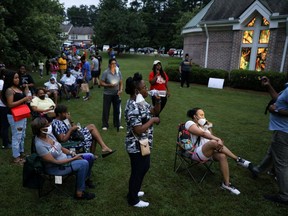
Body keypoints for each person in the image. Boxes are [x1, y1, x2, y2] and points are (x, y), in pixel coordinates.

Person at [185, 107, 251, 195]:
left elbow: (210, 135)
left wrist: (208, 127)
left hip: (209, 151)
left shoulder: (204, 126)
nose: (204, 117)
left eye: (204, 115)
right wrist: (218, 139)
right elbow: (202, 134)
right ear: (194, 116)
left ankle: (226, 184)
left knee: (222, 156)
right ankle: (237, 159)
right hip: (196, 153)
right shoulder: (190, 123)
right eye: (201, 115)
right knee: (214, 142)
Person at [31, 117, 96, 200]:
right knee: (84, 163)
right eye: (47, 125)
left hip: (65, 158)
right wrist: (74, 158)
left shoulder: (49, 135)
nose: (50, 126)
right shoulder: (39, 145)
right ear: (40, 129)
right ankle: (79, 193)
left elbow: (60, 147)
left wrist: (72, 153)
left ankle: (84, 180)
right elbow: (55, 162)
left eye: (48, 124)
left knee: (90, 156)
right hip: (56, 167)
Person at [124, 72, 161, 208]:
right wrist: (152, 121)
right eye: (145, 87)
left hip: (143, 143)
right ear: (136, 90)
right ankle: (132, 199)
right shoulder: (132, 106)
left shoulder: (141, 102)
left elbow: (154, 111)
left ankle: (134, 191)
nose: (147, 89)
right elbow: (138, 130)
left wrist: (157, 100)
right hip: (135, 145)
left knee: (143, 168)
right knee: (139, 170)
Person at [258, 76, 288, 205]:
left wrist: (274, 109)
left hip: (284, 131)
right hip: (281, 130)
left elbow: (278, 106)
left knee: (281, 164)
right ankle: (258, 169)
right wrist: (269, 86)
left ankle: (285, 196)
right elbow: (278, 100)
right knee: (273, 152)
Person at [1, 71, 33, 165]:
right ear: (10, 79)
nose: (17, 79)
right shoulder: (9, 90)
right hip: (14, 115)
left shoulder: (18, 88)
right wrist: (24, 99)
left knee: (22, 134)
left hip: (22, 113)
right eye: (15, 78)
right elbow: (10, 104)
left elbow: (23, 98)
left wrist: (27, 92)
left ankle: (21, 152)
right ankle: (16, 157)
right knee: (17, 136)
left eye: (18, 77)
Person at [100, 58, 123, 131]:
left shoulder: (118, 72)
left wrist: (120, 90)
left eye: (115, 63)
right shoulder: (106, 72)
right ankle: (105, 124)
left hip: (116, 93)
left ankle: (117, 124)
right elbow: (101, 83)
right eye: (112, 63)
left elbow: (121, 82)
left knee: (117, 109)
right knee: (106, 109)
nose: (114, 65)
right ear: (109, 64)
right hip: (107, 93)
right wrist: (108, 85)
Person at [0, 68, 11, 149]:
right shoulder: (2, 83)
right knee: (5, 125)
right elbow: (1, 95)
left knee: (2, 124)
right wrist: (6, 104)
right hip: (2, 106)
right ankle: (5, 143)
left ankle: (5, 139)